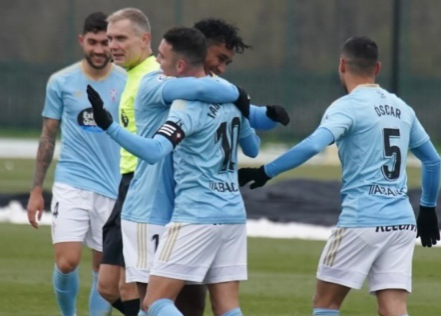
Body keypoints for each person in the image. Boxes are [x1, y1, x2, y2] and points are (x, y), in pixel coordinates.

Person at [239, 36, 441, 316]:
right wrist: (428, 208)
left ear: (342, 65)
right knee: (393, 308)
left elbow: (312, 145)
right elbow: (433, 160)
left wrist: (265, 171)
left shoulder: (346, 106)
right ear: (378, 68)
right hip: (401, 223)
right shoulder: (401, 108)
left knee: (326, 303)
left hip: (362, 219)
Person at [87, 26, 260, 316]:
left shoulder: (186, 104)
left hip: (189, 212)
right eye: (220, 57)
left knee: (155, 303)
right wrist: (244, 102)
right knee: (223, 305)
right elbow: (252, 146)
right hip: (222, 212)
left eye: (161, 55)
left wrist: (110, 127)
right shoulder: (224, 98)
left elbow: (155, 151)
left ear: (180, 62)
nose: (156, 60)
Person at [26, 12, 126, 316]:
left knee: (103, 271)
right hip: (72, 182)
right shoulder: (61, 81)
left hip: (113, 187)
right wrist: (35, 191)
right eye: (93, 42)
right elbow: (48, 136)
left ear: (112, 43)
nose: (99, 49)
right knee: (67, 262)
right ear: (82, 41)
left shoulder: (127, 80)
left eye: (105, 42)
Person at [96, 8, 159, 316]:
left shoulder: (153, 76)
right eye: (110, 39)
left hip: (144, 184)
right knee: (107, 286)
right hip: (126, 184)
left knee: (130, 285)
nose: (113, 46)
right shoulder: (131, 75)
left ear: (145, 39)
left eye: (121, 38)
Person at [194, 17, 290, 127]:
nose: (222, 69)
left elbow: (249, 114)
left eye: (227, 63)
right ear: (197, 48)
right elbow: (189, 89)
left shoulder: (221, 87)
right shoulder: (172, 82)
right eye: (220, 58)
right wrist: (236, 93)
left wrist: (269, 115)